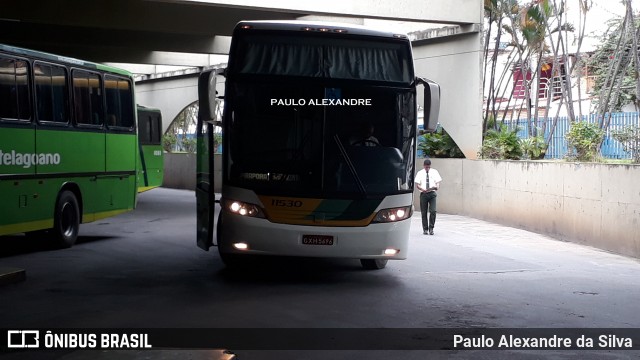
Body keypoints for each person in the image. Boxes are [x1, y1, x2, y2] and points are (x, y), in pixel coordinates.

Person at [414, 158, 442, 235]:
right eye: (426, 167)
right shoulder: (420, 173)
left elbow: (438, 183)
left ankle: (431, 228)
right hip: (423, 194)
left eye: (428, 167)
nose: (427, 168)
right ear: (424, 166)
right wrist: (422, 189)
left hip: (432, 193)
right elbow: (417, 185)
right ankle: (425, 229)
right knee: (424, 212)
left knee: (433, 211)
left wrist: (436, 187)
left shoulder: (434, 172)